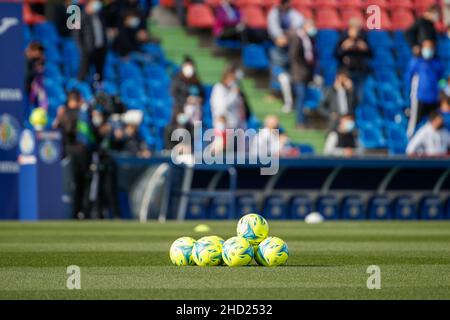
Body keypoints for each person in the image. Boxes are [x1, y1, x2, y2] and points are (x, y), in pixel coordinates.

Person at [53, 90, 91, 219]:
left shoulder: (67, 113)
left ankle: (76, 213)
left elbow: (55, 129)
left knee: (75, 184)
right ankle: (80, 212)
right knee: (81, 184)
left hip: (70, 152)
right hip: (80, 152)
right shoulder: (81, 113)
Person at [267, 0, 304, 112]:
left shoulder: (292, 13)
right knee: (283, 79)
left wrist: (288, 36)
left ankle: (293, 101)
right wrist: (280, 36)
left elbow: (299, 22)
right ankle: (281, 97)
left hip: (291, 50)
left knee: (294, 79)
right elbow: (274, 29)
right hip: (278, 50)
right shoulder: (274, 13)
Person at [405, 39, 444, 137]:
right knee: (415, 122)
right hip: (420, 98)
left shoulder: (437, 64)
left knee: (435, 122)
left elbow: (441, 80)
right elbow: (408, 78)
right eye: (426, 47)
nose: (428, 50)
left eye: (430, 47)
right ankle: (411, 140)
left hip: (434, 99)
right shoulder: (416, 62)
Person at [288, 19, 317, 126]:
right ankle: (299, 121)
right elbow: (294, 55)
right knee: (301, 97)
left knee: (305, 98)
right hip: (299, 73)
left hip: (307, 73)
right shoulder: (297, 38)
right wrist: (304, 68)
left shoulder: (309, 38)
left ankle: (304, 120)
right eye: (311, 26)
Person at [334, 18, 371, 93]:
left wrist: (365, 48)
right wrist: (343, 48)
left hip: (360, 70)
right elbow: (336, 54)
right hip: (347, 71)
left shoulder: (363, 37)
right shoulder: (343, 37)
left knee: (359, 94)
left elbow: (371, 54)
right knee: (348, 94)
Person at [76, 0, 108, 83]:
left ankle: (99, 90)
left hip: (101, 48)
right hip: (88, 49)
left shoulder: (100, 15)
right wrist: (83, 49)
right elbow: (76, 35)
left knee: (99, 73)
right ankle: (81, 88)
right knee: (84, 72)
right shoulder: (80, 16)